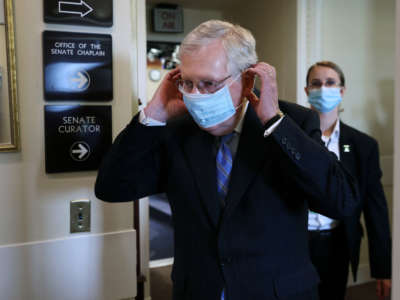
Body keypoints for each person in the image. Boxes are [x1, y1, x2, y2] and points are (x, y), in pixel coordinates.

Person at [95, 20, 359, 300]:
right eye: (188, 82)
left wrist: (274, 123)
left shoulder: (292, 124)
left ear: (246, 80)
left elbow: (341, 201)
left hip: (277, 292)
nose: (195, 95)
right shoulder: (176, 130)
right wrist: (154, 113)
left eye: (208, 83)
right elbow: (112, 187)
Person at [305, 61, 392, 300]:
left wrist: (383, 268)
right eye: (316, 83)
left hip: (338, 244)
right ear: (307, 91)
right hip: (293, 243)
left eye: (330, 83)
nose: (323, 88)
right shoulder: (290, 137)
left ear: (341, 91)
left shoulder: (363, 146)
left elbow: (376, 209)